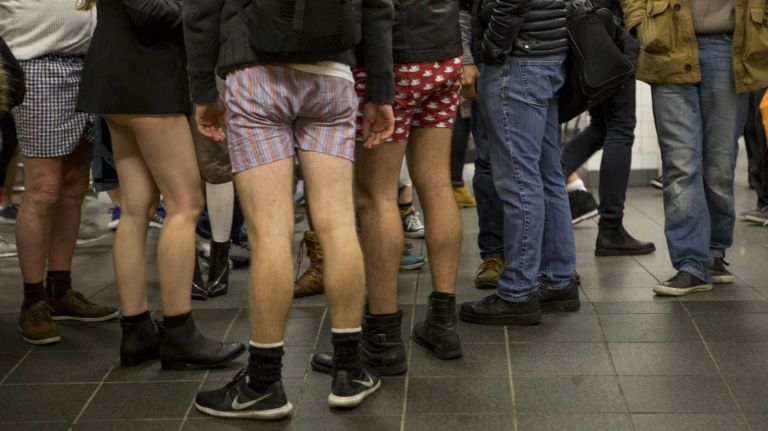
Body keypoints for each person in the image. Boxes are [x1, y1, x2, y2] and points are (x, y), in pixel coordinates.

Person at [184, 0, 396, 419]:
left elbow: (200, 9)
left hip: (253, 69)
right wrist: (380, 92)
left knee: (270, 232)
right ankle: (349, 370)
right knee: (338, 224)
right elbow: (378, 8)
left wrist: (202, 90)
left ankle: (263, 382)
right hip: (332, 72)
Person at [77, 0, 244, 368]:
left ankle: (136, 331)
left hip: (121, 76)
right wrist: (205, 9)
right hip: (146, 77)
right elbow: (150, 11)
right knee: (185, 204)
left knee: (136, 208)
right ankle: (179, 331)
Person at [311, 0, 465, 379]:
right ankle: (443, 325)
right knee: (438, 184)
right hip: (445, 54)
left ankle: (382, 338)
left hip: (390, 60)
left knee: (376, 197)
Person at [619, 0, 768, 296]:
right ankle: (691, 263)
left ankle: (714, 253)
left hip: (733, 46)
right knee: (680, 164)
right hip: (667, 41)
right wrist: (639, 22)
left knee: (720, 166)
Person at [1, 1, 120, 346]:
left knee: (73, 184)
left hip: (88, 63)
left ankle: (60, 289)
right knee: (44, 187)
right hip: (34, 63)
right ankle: (33, 299)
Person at [460, 0, 580, 326]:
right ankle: (558, 279)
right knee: (547, 175)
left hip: (517, 61)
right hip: (546, 55)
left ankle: (517, 291)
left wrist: (491, 50)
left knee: (518, 182)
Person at [562, 0, 656, 256]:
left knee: (602, 127)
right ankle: (611, 228)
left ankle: (551, 175)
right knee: (620, 129)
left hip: (587, 38)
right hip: (610, 38)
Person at [741, 89, 768, 225]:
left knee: (762, 128)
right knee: (752, 127)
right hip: (751, 73)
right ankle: (763, 201)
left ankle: (766, 202)